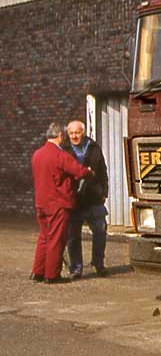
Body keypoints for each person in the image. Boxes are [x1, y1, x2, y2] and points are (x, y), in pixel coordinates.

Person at [31, 122, 92, 284]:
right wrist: (89, 173)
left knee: (44, 237)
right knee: (57, 239)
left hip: (41, 202)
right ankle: (52, 274)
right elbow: (79, 170)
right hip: (58, 203)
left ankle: (37, 272)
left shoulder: (37, 154)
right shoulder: (60, 155)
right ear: (60, 136)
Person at [63, 120, 110, 278]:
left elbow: (103, 171)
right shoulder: (64, 149)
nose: (74, 136)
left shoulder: (94, 147)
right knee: (73, 235)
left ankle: (98, 263)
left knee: (100, 231)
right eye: (71, 133)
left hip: (94, 198)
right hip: (74, 199)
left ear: (83, 132)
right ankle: (76, 268)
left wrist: (104, 192)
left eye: (77, 133)